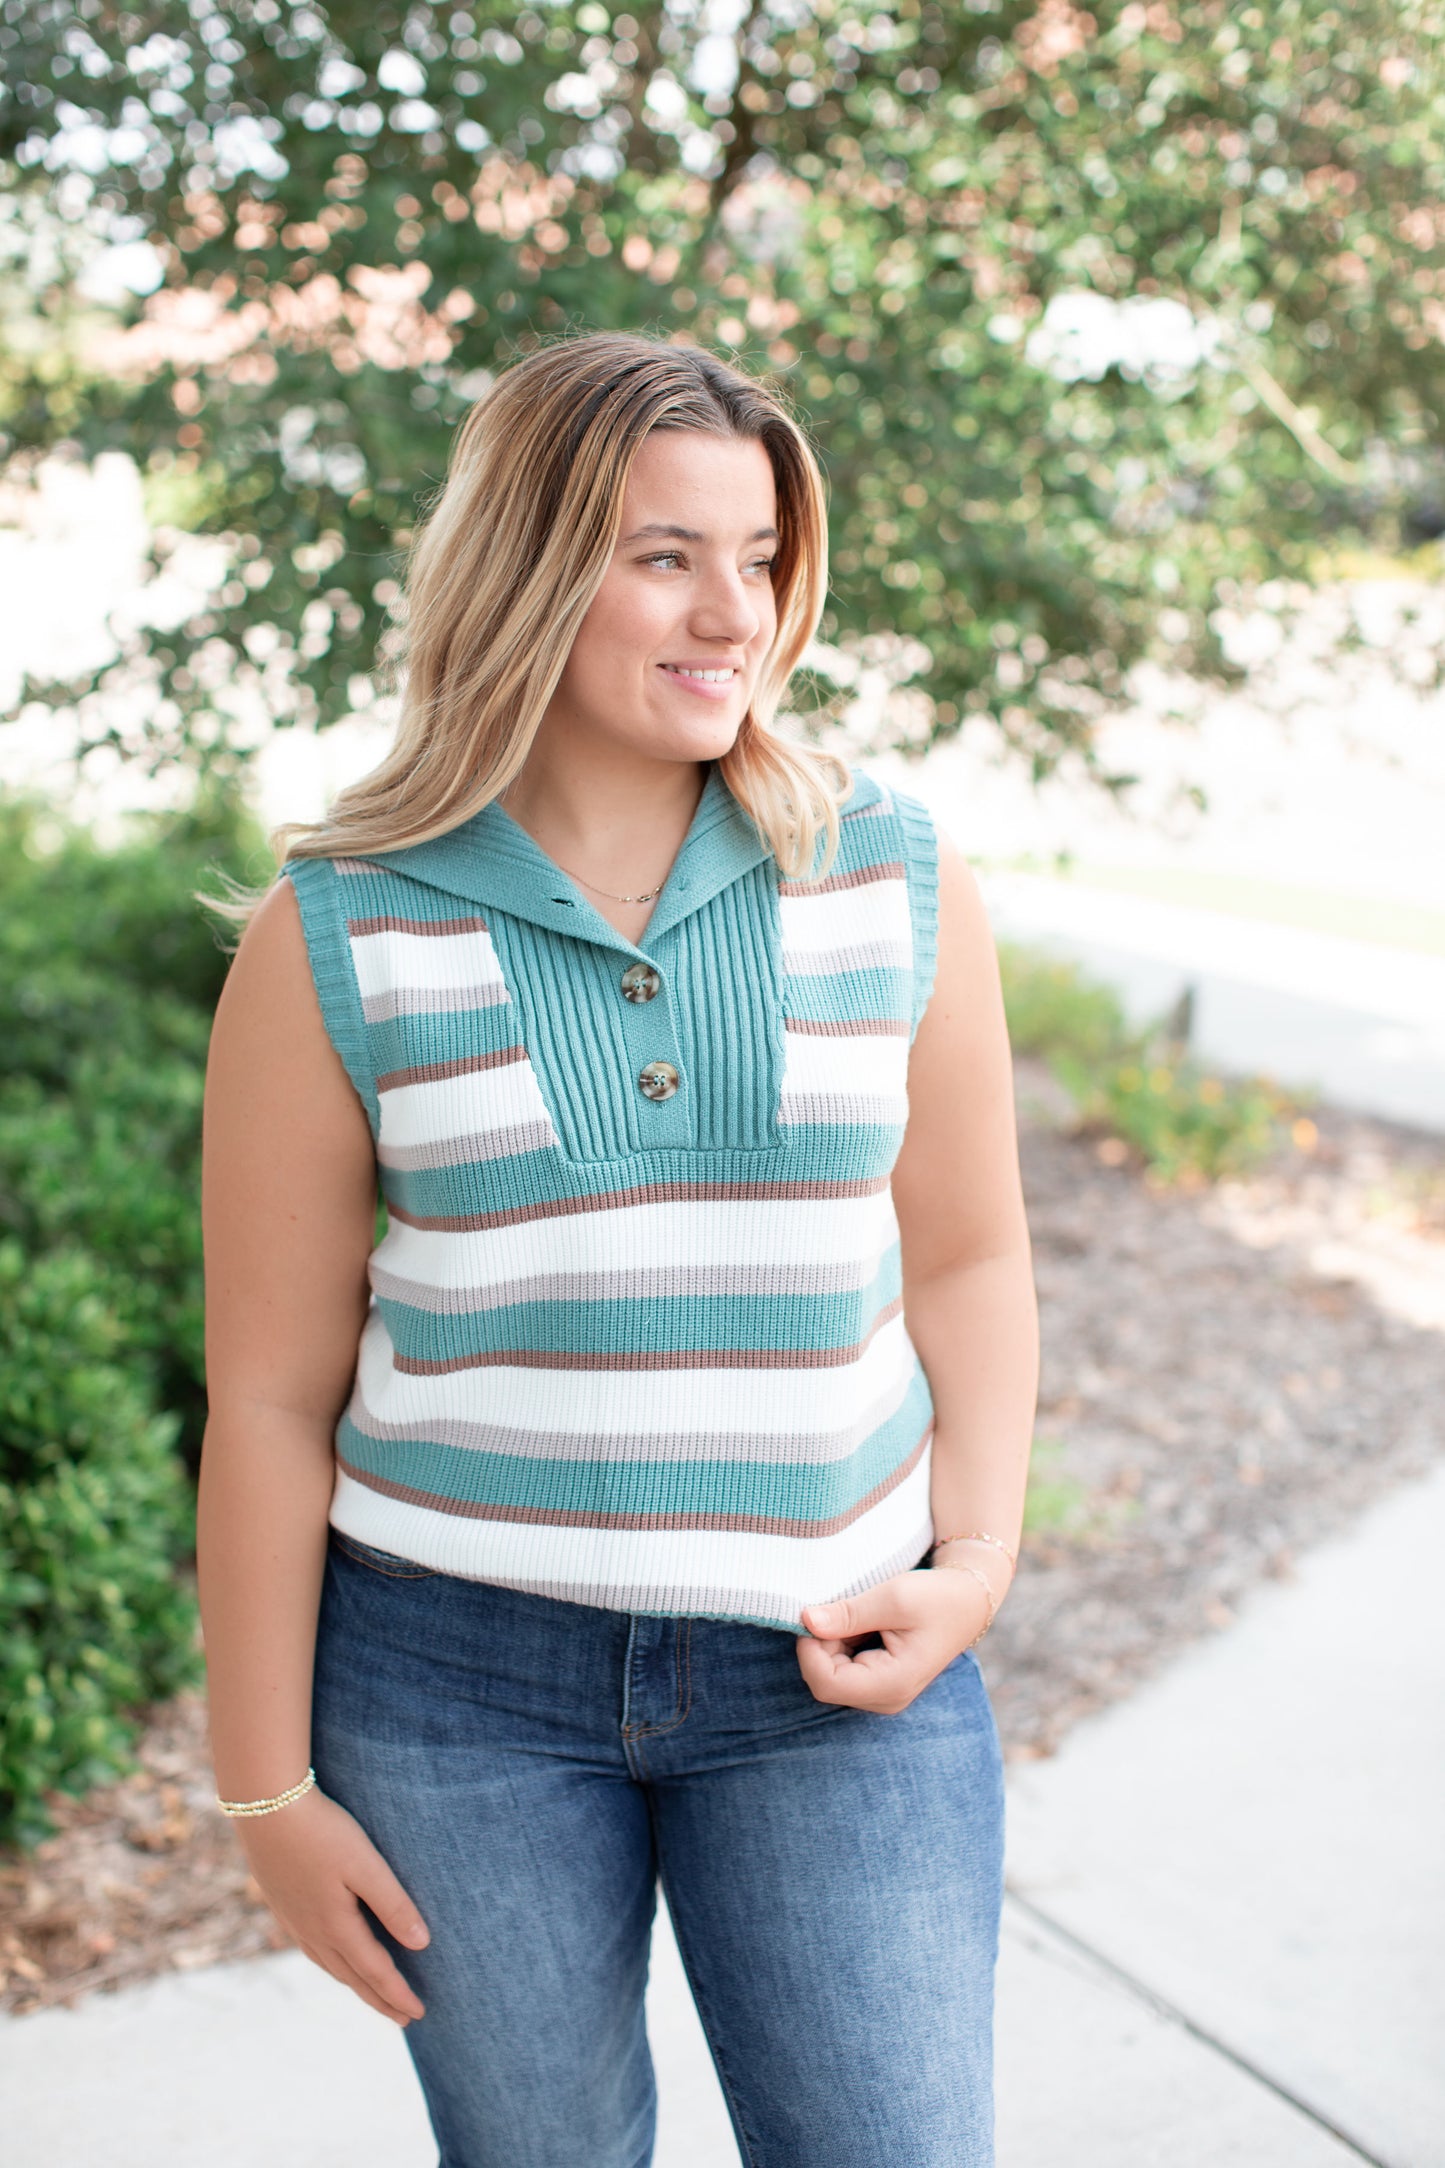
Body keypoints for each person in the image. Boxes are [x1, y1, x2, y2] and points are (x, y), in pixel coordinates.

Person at [197, 329, 1039, 2168]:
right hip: (447, 1694)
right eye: (665, 554)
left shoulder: (892, 875)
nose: (729, 611)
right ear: (526, 566)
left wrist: (972, 1559)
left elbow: (969, 1260)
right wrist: (264, 1791)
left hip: (836, 1683)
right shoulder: (331, 929)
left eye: (755, 558)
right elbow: (266, 1398)